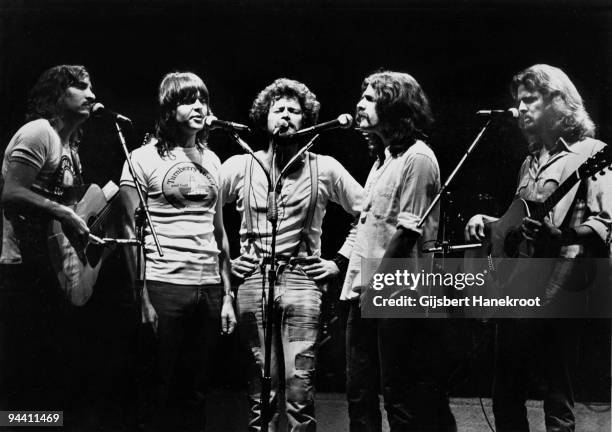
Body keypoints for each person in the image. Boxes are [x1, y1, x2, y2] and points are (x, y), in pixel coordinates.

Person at [464, 64, 612, 432]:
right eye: (518, 101)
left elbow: (606, 223)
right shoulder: (528, 162)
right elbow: (519, 222)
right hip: (518, 288)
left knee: (556, 397)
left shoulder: (592, 153)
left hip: (563, 287)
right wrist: (489, 223)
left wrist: (562, 237)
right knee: (505, 394)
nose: (521, 108)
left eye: (530, 99)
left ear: (559, 101)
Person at [220, 77, 363, 431]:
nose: (285, 116)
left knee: (300, 392)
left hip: (302, 281)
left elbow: (369, 212)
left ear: (307, 119)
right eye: (278, 109)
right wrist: (223, 262)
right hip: (253, 282)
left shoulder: (325, 167)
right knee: (260, 391)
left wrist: (339, 261)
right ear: (264, 118)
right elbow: (201, 214)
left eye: (294, 110)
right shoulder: (240, 165)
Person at [119, 71, 236, 431]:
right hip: (163, 283)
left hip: (208, 287)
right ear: (170, 110)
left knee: (197, 390)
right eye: (188, 100)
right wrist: (141, 296)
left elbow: (218, 230)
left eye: (202, 99)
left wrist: (228, 294)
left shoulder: (213, 160)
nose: (199, 106)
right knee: (160, 388)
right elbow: (129, 229)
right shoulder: (142, 158)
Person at [341, 71, 456, 431]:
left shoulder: (418, 158)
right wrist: (339, 269)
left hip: (396, 292)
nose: (360, 104)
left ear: (396, 106)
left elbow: (407, 231)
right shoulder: (382, 160)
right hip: (365, 288)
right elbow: (366, 225)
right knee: (359, 392)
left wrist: (375, 287)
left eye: (371, 98)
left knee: (399, 395)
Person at [0, 65, 95, 419]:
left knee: (50, 371)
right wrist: (64, 212)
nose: (92, 95)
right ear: (58, 94)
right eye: (81, 87)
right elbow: (11, 192)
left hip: (49, 266)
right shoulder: (40, 133)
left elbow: (71, 209)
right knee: (27, 375)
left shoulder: (71, 147)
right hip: (20, 265)